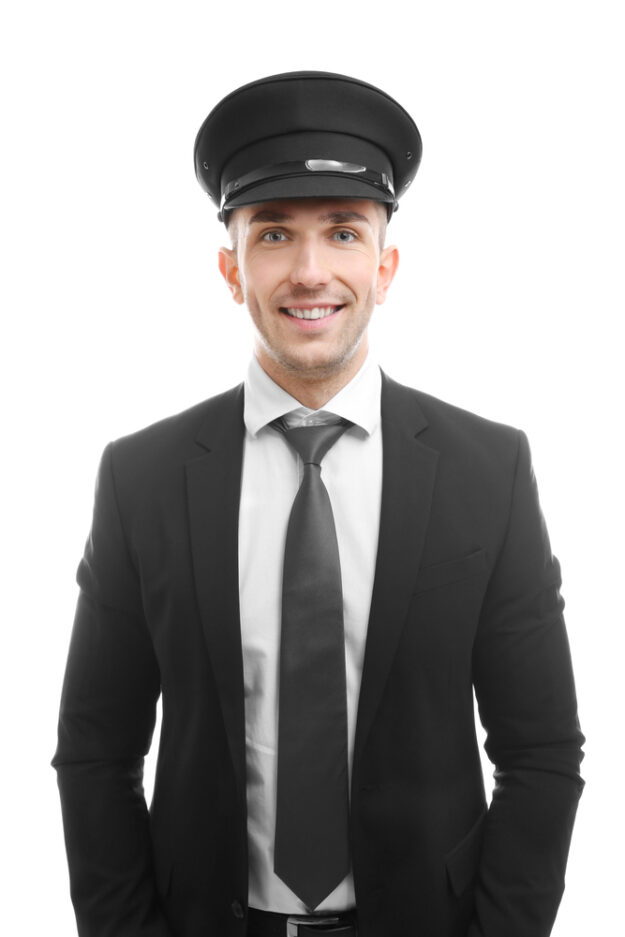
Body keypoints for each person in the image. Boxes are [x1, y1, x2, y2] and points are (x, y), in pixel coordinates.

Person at [52, 71, 584, 937]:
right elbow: (95, 752)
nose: (308, 273)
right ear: (231, 266)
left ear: (385, 262)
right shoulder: (140, 478)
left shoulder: (491, 470)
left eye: (342, 231)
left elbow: (541, 751)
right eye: (272, 234)